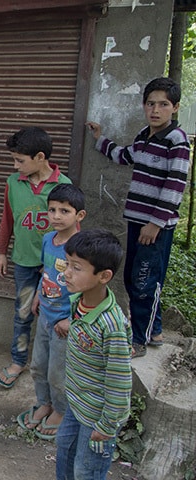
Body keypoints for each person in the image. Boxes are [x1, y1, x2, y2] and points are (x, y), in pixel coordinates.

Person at [86, 77, 190, 358]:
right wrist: (100, 139)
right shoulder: (145, 136)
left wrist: (155, 223)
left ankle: (139, 341)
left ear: (175, 107)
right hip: (137, 221)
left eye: (163, 104)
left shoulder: (176, 142)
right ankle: (153, 331)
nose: (156, 110)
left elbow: (175, 185)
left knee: (144, 282)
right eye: (150, 104)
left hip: (154, 227)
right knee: (137, 278)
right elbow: (126, 156)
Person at [0, 126, 72, 389]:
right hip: (25, 261)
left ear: (40, 157)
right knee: (23, 312)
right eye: (14, 160)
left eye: (20, 160)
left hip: (55, 265)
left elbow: (73, 231)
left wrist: (71, 265)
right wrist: (2, 251)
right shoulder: (13, 183)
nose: (15, 166)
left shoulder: (63, 186)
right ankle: (18, 360)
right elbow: (8, 218)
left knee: (53, 314)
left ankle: (52, 364)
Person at [56, 229, 131, 480]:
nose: (66, 272)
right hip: (77, 404)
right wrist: (71, 323)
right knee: (64, 451)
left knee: (86, 471)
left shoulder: (111, 326)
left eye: (76, 268)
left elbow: (119, 383)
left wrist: (107, 426)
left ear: (104, 276)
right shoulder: (78, 300)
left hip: (98, 418)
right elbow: (80, 320)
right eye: (67, 264)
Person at [16, 184, 86, 441]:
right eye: (52, 210)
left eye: (64, 211)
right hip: (45, 314)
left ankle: (60, 410)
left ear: (79, 216)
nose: (56, 216)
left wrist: (71, 319)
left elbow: (88, 289)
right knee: (38, 365)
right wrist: (37, 295)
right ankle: (43, 402)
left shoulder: (81, 248)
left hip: (64, 323)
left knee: (58, 371)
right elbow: (45, 273)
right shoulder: (47, 239)